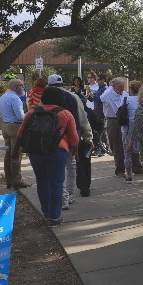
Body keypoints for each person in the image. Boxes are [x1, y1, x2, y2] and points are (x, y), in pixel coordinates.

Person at [15, 86, 79, 227]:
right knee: (56, 183)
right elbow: (74, 139)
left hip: (35, 151)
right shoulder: (65, 114)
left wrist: (15, 152)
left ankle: (45, 212)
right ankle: (54, 217)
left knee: (42, 181)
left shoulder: (32, 112)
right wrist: (75, 151)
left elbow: (20, 134)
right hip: (57, 151)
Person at [47, 74, 93, 208]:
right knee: (70, 165)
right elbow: (83, 118)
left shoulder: (46, 97)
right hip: (72, 136)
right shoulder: (74, 97)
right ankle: (70, 194)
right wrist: (88, 137)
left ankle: (63, 196)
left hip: (51, 139)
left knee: (56, 167)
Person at [0, 78, 30, 189]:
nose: (23, 87)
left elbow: (1, 113)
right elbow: (20, 117)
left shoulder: (3, 96)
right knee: (16, 153)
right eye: (21, 85)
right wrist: (29, 115)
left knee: (8, 154)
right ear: (15, 87)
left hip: (5, 126)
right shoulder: (15, 98)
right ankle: (17, 181)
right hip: (15, 126)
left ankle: (9, 180)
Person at [101, 77, 128, 177]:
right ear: (114, 87)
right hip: (113, 121)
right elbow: (102, 98)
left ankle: (135, 166)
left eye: (123, 86)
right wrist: (111, 88)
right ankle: (120, 170)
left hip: (124, 120)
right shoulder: (108, 94)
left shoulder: (125, 94)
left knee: (126, 144)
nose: (122, 88)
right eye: (119, 86)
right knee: (116, 146)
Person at [77, 95, 98, 197]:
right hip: (87, 141)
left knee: (79, 163)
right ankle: (86, 185)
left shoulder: (74, 112)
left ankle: (82, 185)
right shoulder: (89, 111)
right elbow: (97, 125)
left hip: (79, 141)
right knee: (86, 163)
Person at [122, 80, 142, 182]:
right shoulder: (142, 100)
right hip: (140, 128)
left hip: (128, 129)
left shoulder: (126, 99)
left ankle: (129, 176)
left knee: (127, 153)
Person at [89, 73, 109, 155]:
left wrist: (94, 96)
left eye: (98, 80)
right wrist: (90, 96)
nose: (97, 82)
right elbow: (94, 100)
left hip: (102, 112)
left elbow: (102, 99)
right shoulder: (99, 88)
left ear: (103, 80)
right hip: (96, 111)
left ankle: (104, 149)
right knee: (96, 130)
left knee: (101, 130)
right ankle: (98, 148)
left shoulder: (106, 89)